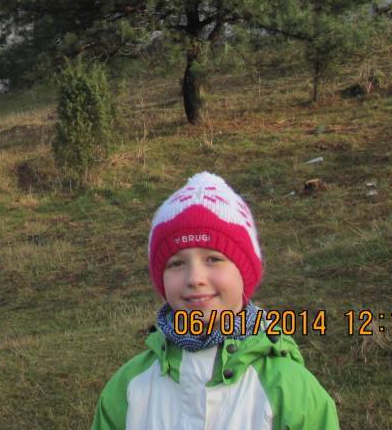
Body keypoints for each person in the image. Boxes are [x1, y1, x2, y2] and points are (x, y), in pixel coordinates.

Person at [91, 171, 339, 430]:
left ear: (244, 272)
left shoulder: (292, 392)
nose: (195, 278)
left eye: (213, 259)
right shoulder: (128, 390)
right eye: (176, 263)